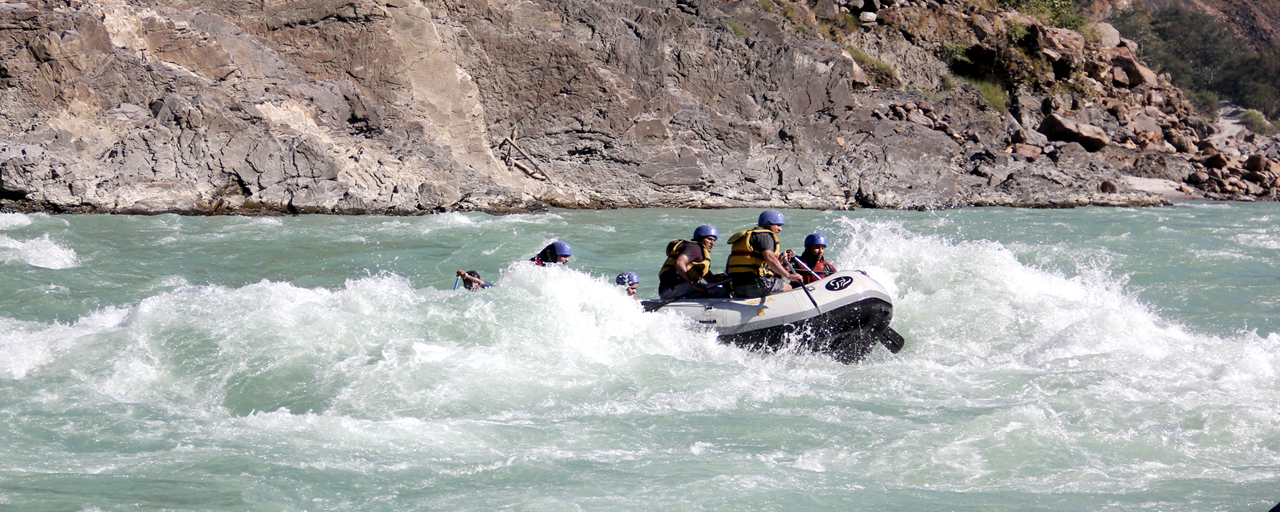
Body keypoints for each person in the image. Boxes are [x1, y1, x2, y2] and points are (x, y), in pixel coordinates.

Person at [725, 210, 803, 298]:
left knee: (777, 281)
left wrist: (780, 260)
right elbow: (769, 258)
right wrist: (788, 275)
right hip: (757, 284)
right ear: (767, 223)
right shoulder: (765, 236)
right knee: (788, 287)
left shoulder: (747, 236)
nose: (780, 229)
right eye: (778, 225)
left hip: (737, 286)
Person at [658, 225, 730, 300]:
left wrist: (733, 277)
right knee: (722, 292)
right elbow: (679, 263)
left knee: (714, 288)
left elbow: (712, 280)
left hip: (669, 290)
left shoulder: (698, 256)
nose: (712, 243)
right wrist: (694, 284)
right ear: (700, 238)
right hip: (674, 289)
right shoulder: (695, 247)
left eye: (714, 240)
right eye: (709, 239)